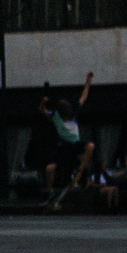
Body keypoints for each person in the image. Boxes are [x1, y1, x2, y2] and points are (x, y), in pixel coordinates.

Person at [44, 72, 95, 209]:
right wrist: (43, 103)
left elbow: (83, 96)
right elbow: (42, 111)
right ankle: (49, 191)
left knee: (90, 145)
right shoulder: (55, 116)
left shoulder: (74, 113)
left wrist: (88, 81)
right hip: (63, 147)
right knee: (49, 169)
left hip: (74, 145)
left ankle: (80, 168)